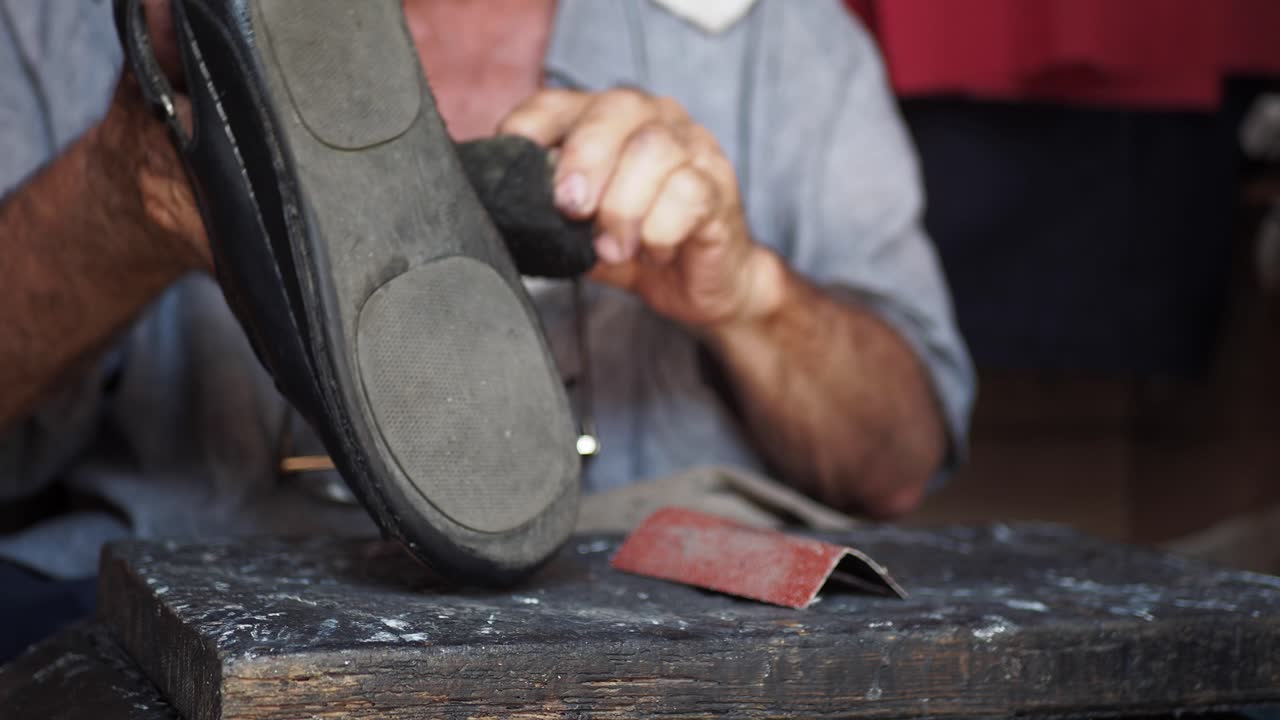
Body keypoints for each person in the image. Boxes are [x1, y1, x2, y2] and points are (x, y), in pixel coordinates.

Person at [0, 0, 973, 657]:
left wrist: (748, 295)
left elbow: (895, 461)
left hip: (655, 628)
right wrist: (120, 198)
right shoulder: (60, 25)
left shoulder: (780, 37)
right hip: (162, 601)